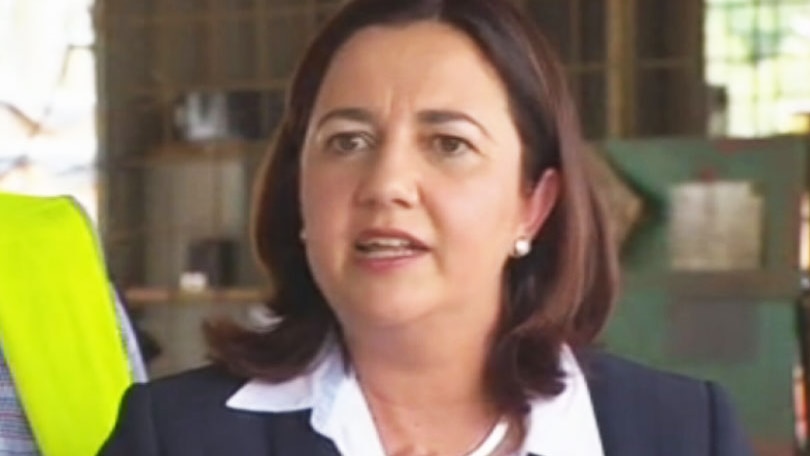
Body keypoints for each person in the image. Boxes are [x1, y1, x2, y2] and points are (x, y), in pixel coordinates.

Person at [99, 0, 753, 454]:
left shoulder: (682, 434)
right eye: (348, 141)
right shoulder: (175, 436)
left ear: (534, 203)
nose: (386, 184)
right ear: (299, 191)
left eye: (448, 144)